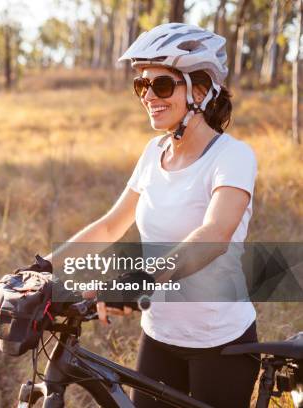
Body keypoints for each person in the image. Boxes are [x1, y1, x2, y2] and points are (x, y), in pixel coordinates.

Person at [25, 23, 261, 407]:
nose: (149, 95)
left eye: (162, 85)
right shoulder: (154, 152)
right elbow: (110, 224)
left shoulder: (232, 156)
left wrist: (142, 280)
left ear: (200, 90)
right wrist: (42, 267)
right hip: (160, 336)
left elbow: (215, 233)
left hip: (220, 341)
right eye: (141, 85)